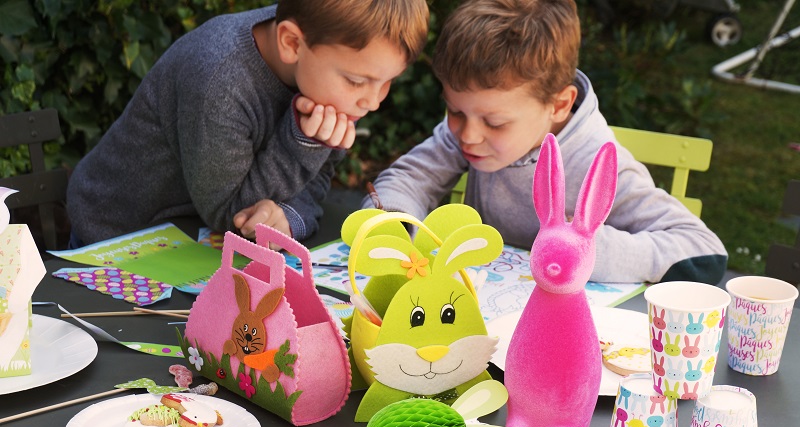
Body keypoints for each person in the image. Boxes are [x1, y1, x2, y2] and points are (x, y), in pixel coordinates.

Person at [363, 0, 728, 285]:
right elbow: (410, 178)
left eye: (495, 122)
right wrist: (391, 225)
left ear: (559, 105)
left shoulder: (595, 161)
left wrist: (588, 251)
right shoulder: (466, 131)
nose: (468, 135)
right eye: (454, 112)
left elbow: (703, 250)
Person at [67, 0, 429, 246]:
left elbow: (315, 177)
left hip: (198, 242)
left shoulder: (323, 50)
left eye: (388, 81)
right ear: (291, 43)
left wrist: (286, 216)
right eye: (356, 81)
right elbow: (231, 217)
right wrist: (303, 141)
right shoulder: (219, 80)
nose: (374, 100)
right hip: (121, 238)